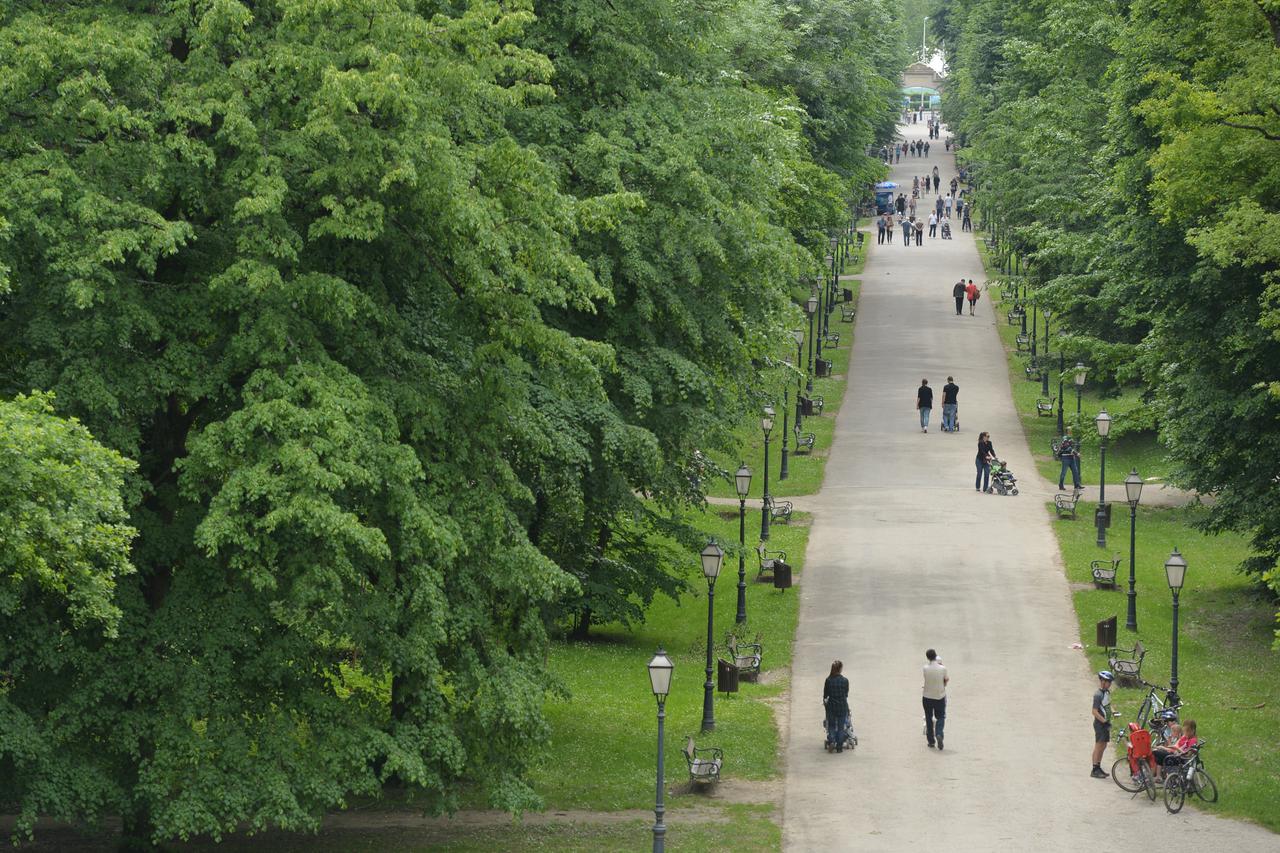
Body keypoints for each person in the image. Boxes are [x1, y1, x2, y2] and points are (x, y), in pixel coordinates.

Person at [922, 649, 948, 750]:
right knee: (941, 716)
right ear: (936, 655)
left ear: (927, 657)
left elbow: (926, 679)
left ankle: (931, 741)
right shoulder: (943, 668)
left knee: (928, 718)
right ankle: (939, 734)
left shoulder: (925, 668)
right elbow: (945, 681)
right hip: (939, 696)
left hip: (927, 696)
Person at [823, 660, 851, 753]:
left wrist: (825, 702)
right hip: (842, 706)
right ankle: (839, 747)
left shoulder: (828, 680)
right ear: (840, 669)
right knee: (840, 727)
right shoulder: (845, 681)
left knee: (831, 725)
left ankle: (831, 740)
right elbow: (846, 694)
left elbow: (825, 695)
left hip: (831, 707)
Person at [1091, 670, 1114, 778]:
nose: (1110, 684)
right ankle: (1095, 768)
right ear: (1102, 681)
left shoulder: (1106, 693)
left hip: (1105, 723)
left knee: (1103, 745)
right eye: (1108, 681)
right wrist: (1104, 721)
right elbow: (1094, 711)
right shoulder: (1098, 695)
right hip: (1100, 724)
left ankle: (1098, 766)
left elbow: (1107, 706)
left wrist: (1113, 713)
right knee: (1099, 746)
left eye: (1110, 682)